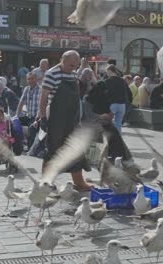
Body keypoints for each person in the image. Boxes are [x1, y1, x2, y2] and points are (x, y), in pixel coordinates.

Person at [38, 50, 91, 191]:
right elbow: (43, 99)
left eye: (75, 66)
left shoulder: (73, 74)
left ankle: (79, 182)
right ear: (62, 60)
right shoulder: (51, 74)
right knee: (52, 150)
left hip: (72, 119)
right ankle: (45, 182)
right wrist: (42, 118)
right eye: (70, 65)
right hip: (56, 119)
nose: (73, 68)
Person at [16, 72, 40, 148]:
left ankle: (31, 148)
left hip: (37, 116)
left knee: (31, 127)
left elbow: (41, 106)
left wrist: (37, 119)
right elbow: (21, 102)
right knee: (13, 123)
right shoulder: (26, 89)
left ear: (36, 79)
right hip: (29, 115)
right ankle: (17, 145)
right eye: (28, 79)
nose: (30, 80)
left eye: (32, 78)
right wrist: (16, 116)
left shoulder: (41, 89)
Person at [104, 64, 129, 134]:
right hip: (122, 105)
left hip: (112, 105)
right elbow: (127, 92)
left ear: (109, 71)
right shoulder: (123, 80)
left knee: (106, 122)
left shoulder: (107, 81)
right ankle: (118, 140)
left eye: (107, 72)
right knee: (118, 124)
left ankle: (108, 140)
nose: (106, 74)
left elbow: (105, 94)